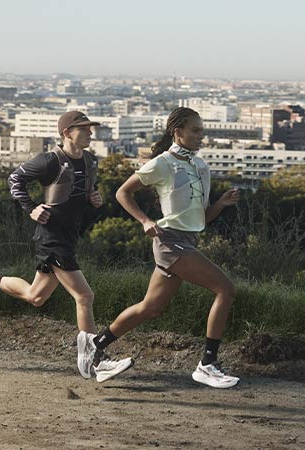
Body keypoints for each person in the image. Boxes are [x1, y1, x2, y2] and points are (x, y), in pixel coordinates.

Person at [0, 110, 133, 382]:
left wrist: (93, 199)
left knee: (36, 297)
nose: (91, 133)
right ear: (67, 133)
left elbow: (79, 196)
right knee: (85, 297)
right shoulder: (49, 161)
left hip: (68, 237)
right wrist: (31, 208)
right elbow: (14, 180)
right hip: (51, 237)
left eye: (90, 128)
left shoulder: (90, 161)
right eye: (84, 129)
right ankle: (94, 360)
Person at [89, 107, 241, 388]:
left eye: (202, 130)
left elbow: (201, 219)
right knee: (226, 289)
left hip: (187, 240)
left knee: (151, 308)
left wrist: (221, 204)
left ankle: (95, 347)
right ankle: (207, 364)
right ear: (177, 132)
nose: (201, 135)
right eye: (195, 130)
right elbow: (122, 193)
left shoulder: (200, 167)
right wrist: (145, 220)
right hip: (170, 242)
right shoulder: (162, 163)